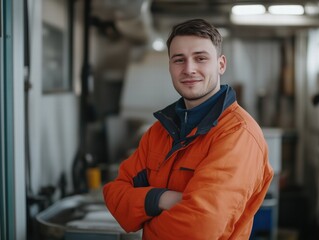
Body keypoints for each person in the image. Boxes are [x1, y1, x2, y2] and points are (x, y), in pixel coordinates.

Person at [103, 18, 274, 239]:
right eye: (179, 60)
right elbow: (114, 194)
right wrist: (162, 198)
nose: (189, 69)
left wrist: (145, 210)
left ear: (221, 64)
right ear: (170, 66)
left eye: (200, 58)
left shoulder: (237, 134)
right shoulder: (159, 132)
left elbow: (199, 228)